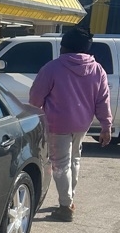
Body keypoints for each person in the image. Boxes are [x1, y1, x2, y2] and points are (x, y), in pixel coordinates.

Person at [28, 27, 112, 222]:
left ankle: (66, 206)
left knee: (60, 164)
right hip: (82, 125)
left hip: (57, 125)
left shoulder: (52, 68)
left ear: (65, 47)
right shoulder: (97, 69)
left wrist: (33, 117)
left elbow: (36, 97)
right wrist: (106, 126)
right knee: (75, 160)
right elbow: (103, 100)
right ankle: (69, 198)